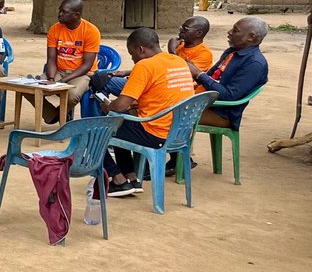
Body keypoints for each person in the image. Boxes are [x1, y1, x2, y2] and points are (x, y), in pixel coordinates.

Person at [102, 27, 195, 195]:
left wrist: (108, 106)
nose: (132, 58)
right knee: (121, 123)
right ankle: (132, 179)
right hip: (181, 133)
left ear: (140, 49)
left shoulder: (145, 66)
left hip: (156, 134)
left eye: (132, 54)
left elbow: (121, 105)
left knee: (97, 130)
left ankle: (118, 179)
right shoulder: (178, 61)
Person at [95, 16, 213, 98]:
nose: (181, 30)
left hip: (172, 91)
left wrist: (172, 51)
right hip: (159, 84)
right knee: (101, 78)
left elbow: (180, 72)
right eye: (181, 27)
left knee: (103, 81)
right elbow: (160, 68)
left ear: (199, 33)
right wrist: (127, 72)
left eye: (185, 29)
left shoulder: (204, 54)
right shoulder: (180, 46)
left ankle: (98, 128)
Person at [189, 16, 269, 133]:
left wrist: (198, 73)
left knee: (168, 115)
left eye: (235, 30)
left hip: (222, 113)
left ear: (251, 37)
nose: (229, 32)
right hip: (207, 102)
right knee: (161, 103)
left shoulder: (254, 63)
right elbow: (210, 76)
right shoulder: (232, 52)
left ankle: (179, 151)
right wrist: (194, 72)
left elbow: (229, 96)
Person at [42, 0, 100, 123]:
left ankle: (59, 113)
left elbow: (87, 65)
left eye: (64, 12)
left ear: (76, 15)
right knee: (29, 89)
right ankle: (53, 115)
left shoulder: (91, 31)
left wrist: (62, 82)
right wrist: (52, 79)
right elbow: (51, 59)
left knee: (72, 96)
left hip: (82, 74)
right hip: (59, 71)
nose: (60, 14)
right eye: (60, 11)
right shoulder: (54, 29)